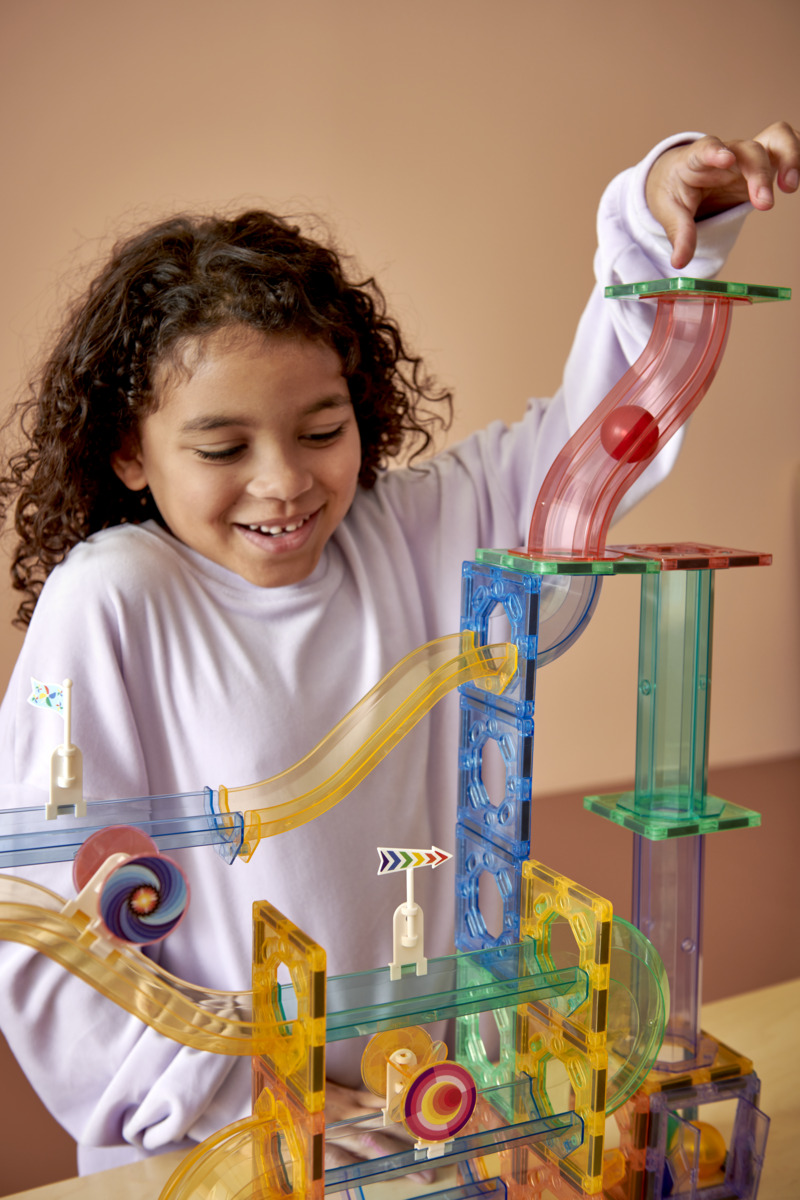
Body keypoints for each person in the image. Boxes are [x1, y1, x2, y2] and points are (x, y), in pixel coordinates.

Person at [0, 123, 796, 1178]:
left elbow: (593, 439)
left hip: (426, 1129)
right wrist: (254, 1096)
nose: (284, 481)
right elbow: (45, 931)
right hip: (217, 1154)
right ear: (127, 450)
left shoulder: (408, 531)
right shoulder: (112, 599)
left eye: (321, 430)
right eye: (223, 446)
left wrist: (658, 226)